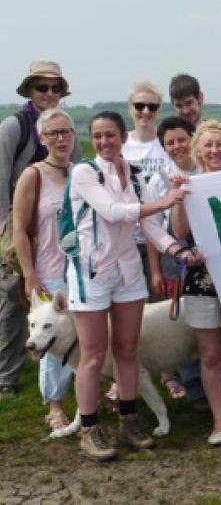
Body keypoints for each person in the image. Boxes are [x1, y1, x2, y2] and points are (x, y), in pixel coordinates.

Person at [66, 111, 198, 461]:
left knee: (127, 350)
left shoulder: (137, 176)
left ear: (122, 137)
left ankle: (129, 418)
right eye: (97, 136)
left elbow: (151, 227)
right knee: (93, 355)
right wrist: (164, 201)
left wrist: (179, 252)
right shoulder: (84, 172)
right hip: (91, 273)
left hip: (127, 274)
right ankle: (89, 429)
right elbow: (113, 211)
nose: (104, 142)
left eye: (110, 135)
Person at [170, 120, 221, 446]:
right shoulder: (189, 184)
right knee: (209, 356)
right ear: (198, 151)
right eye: (208, 145)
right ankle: (218, 421)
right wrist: (178, 198)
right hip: (200, 280)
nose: (215, 151)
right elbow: (178, 233)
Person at [0, 61, 80, 401]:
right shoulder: (12, 127)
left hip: (53, 228)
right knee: (14, 302)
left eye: (55, 88)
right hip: (14, 225)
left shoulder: (66, 131)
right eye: (41, 87)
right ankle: (7, 376)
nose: (49, 94)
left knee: (53, 309)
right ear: (30, 90)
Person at [10, 109, 76, 430]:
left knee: (83, 335)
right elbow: (20, 229)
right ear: (42, 139)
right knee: (51, 338)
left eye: (66, 132)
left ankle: (88, 394)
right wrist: (29, 274)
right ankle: (55, 404)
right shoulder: (32, 175)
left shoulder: (82, 172)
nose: (61, 139)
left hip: (82, 271)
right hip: (49, 270)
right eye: (53, 134)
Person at [146, 116, 203, 401]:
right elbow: (153, 229)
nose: (177, 146)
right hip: (176, 260)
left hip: (210, 255)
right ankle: (194, 387)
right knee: (184, 323)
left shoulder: (209, 169)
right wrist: (155, 270)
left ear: (192, 138)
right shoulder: (159, 180)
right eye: (170, 142)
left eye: (182, 139)